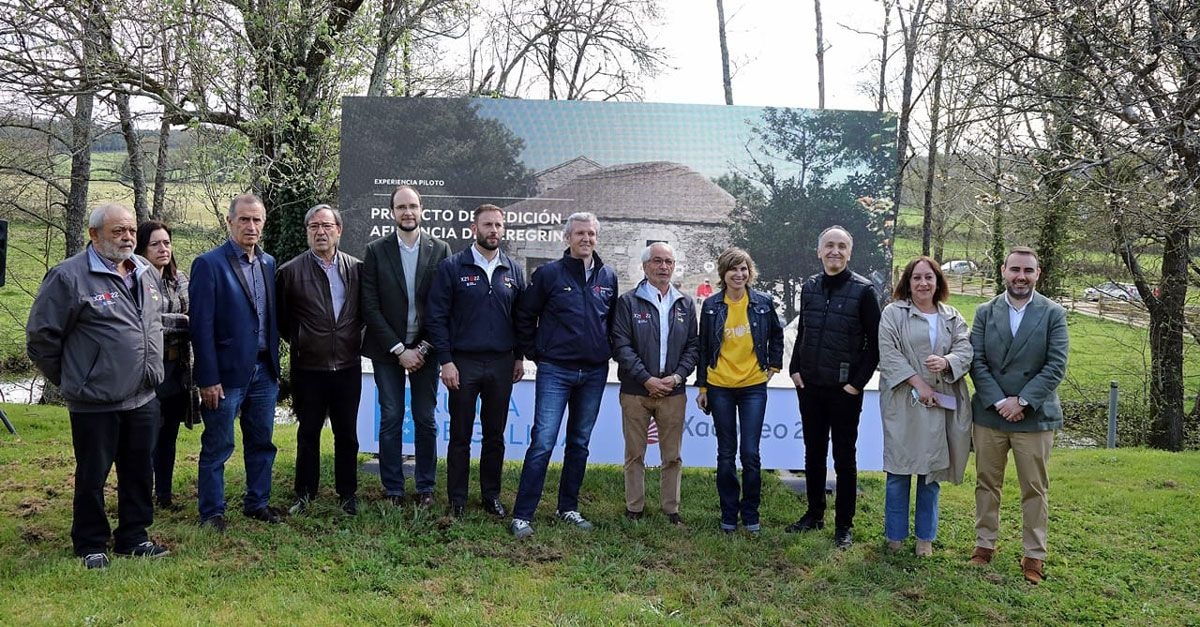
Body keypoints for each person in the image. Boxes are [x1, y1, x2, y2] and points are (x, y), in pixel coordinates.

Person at [27, 204, 169, 568]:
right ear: (94, 235)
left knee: (139, 471)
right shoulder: (68, 277)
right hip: (95, 402)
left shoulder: (145, 271)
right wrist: (75, 378)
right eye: (117, 231)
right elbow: (41, 339)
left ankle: (134, 537)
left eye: (131, 231)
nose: (127, 237)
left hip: (144, 396)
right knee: (93, 475)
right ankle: (90, 542)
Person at [509, 212, 618, 538]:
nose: (586, 239)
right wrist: (536, 353)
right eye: (580, 233)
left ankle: (567, 507)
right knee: (542, 442)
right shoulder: (548, 275)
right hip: (556, 370)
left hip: (594, 372)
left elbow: (611, 322)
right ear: (567, 238)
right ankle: (522, 516)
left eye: (591, 234)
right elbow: (525, 315)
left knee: (579, 443)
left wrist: (606, 350)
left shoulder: (608, 276)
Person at [968, 246, 1068, 585]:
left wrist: (1022, 401)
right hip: (990, 414)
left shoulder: (1053, 313)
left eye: (1027, 270)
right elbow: (976, 361)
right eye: (1015, 270)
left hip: (1035, 416)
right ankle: (984, 545)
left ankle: (1034, 555)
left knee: (1034, 488)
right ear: (1003, 271)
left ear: (1037, 273)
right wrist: (999, 401)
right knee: (987, 483)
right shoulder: (984, 312)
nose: (1020, 277)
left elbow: (1056, 365)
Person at [425, 204, 526, 519]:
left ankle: (490, 496)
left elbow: (521, 319)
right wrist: (446, 361)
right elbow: (436, 317)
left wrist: (519, 357)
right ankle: (457, 499)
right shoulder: (453, 267)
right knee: (460, 434)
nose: (493, 230)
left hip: (501, 363)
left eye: (498, 225)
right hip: (463, 364)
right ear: (474, 228)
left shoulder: (513, 270)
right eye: (487, 225)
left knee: (495, 436)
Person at [190, 193, 282, 532]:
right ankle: (212, 512)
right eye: (244, 219)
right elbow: (200, 327)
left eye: (257, 220)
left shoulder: (268, 263)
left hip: (263, 371)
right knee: (218, 445)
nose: (251, 226)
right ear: (229, 222)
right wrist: (207, 378)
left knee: (262, 441)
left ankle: (257, 503)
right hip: (226, 375)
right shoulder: (209, 264)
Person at [786, 225, 881, 549]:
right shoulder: (810, 287)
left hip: (844, 391)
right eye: (829, 245)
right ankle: (814, 514)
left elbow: (875, 345)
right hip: (810, 386)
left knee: (844, 459)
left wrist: (856, 385)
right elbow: (804, 331)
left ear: (849, 252)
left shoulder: (864, 290)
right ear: (819, 251)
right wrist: (794, 368)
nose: (835, 251)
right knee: (813, 454)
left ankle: (844, 525)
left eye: (841, 246)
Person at [361, 185, 451, 508]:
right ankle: (394, 489)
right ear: (392, 212)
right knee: (391, 416)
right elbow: (369, 307)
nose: (407, 212)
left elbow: (444, 304)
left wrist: (423, 349)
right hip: (388, 351)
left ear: (422, 209)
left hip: (426, 350)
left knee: (426, 418)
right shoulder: (375, 250)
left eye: (412, 206)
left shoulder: (440, 249)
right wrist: (399, 350)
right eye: (401, 207)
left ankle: (425, 486)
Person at [876, 256, 972, 557]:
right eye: (916, 278)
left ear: (938, 281)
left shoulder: (951, 316)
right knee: (899, 470)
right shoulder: (893, 313)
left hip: (940, 403)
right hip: (905, 401)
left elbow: (965, 350)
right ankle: (894, 537)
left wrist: (947, 362)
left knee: (931, 473)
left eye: (929, 277)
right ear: (908, 282)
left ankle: (925, 540)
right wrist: (920, 385)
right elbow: (889, 354)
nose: (923, 283)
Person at [276, 204, 364, 516]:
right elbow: (283, 322)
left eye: (326, 226)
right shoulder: (290, 272)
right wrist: (305, 341)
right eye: (313, 226)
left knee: (347, 434)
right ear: (307, 232)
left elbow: (363, 315)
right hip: (308, 368)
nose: (320, 232)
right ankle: (305, 493)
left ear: (339, 231)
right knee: (308, 432)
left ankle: (347, 493)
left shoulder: (357, 269)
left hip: (348, 366)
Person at [696, 247, 783, 535]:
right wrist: (703, 386)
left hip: (753, 388)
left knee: (750, 453)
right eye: (733, 269)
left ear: (750, 272)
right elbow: (704, 347)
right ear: (723, 273)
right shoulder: (711, 306)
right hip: (719, 386)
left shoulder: (763, 302)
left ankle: (751, 513)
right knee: (725, 453)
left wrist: (773, 366)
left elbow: (776, 335)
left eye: (744, 268)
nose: (739, 274)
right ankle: (728, 514)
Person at [612, 243, 699, 526]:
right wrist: (646, 379)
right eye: (658, 261)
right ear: (645, 266)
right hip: (636, 391)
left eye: (669, 262)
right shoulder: (627, 302)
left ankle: (671, 510)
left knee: (672, 456)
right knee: (634, 454)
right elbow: (621, 346)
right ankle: (634, 508)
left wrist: (676, 377)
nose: (663, 267)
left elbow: (693, 347)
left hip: (674, 392)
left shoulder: (685, 303)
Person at [134, 220, 196, 512]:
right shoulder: (133, 279)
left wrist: (170, 323)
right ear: (143, 248)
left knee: (169, 435)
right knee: (146, 436)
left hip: (177, 368)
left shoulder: (179, 278)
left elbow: (192, 317)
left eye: (167, 243)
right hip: (147, 370)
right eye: (156, 244)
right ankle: (141, 495)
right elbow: (144, 323)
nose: (163, 249)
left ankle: (165, 494)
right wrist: (179, 322)